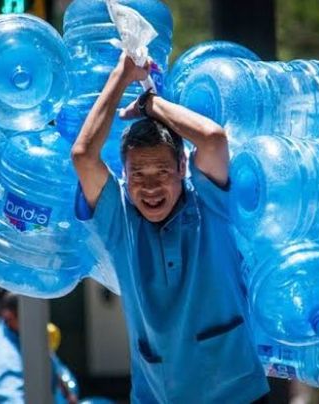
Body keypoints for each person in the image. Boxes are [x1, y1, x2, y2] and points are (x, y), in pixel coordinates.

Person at [71, 53, 269, 403]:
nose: (149, 188)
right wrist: (121, 74)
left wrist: (152, 103)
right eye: (138, 175)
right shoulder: (120, 223)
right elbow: (83, 155)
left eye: (161, 172)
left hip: (238, 394)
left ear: (181, 167)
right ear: (125, 176)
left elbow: (212, 138)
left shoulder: (209, 203)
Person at [0, 292, 78, 404]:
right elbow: (11, 397)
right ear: (9, 316)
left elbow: (53, 365)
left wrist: (68, 394)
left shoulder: (26, 333)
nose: (40, 322)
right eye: (31, 317)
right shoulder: (4, 354)